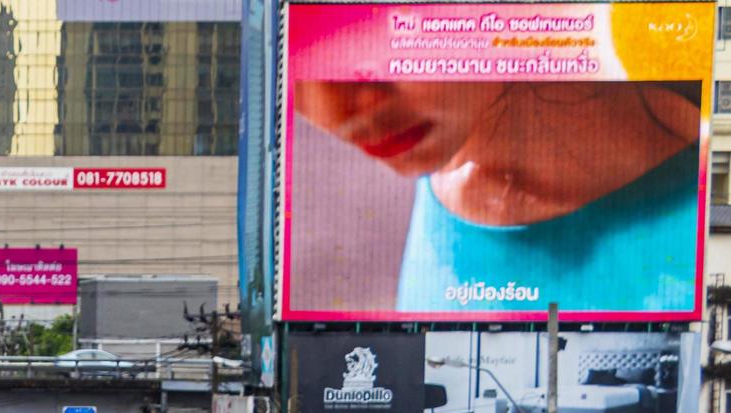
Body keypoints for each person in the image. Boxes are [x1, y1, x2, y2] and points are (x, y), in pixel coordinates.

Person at [293, 75, 701, 314]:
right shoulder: (443, 137)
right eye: (296, 57)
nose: (335, 112)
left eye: (372, 16)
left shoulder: (698, 228)